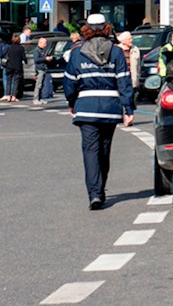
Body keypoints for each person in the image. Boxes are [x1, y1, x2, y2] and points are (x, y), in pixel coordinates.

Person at [63, 14, 134, 210]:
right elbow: (124, 82)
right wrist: (128, 108)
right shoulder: (117, 53)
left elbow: (69, 83)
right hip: (110, 108)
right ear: (107, 28)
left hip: (86, 108)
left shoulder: (77, 53)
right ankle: (100, 188)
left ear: (86, 29)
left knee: (90, 151)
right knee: (104, 149)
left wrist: (72, 102)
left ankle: (95, 193)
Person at [33, 36, 59, 104]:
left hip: (44, 69)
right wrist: (45, 59)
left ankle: (40, 98)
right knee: (38, 85)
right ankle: (36, 98)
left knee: (42, 85)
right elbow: (36, 60)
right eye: (44, 43)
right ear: (40, 43)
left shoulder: (42, 50)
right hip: (39, 69)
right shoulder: (36, 51)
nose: (45, 45)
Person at [2, 33, 26, 102]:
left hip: (9, 66)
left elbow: (4, 55)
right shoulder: (21, 48)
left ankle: (8, 95)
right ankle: (14, 96)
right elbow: (23, 57)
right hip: (17, 67)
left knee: (8, 81)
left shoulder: (9, 47)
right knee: (16, 82)